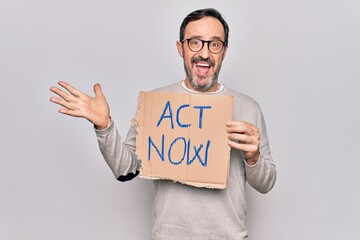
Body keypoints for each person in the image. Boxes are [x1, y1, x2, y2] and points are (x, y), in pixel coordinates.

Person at [50, 8, 276, 240]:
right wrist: (104, 125)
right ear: (181, 48)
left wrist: (253, 157)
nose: (205, 53)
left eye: (214, 44)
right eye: (195, 42)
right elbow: (125, 169)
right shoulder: (158, 104)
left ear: (224, 51)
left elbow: (266, 183)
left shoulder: (248, 108)